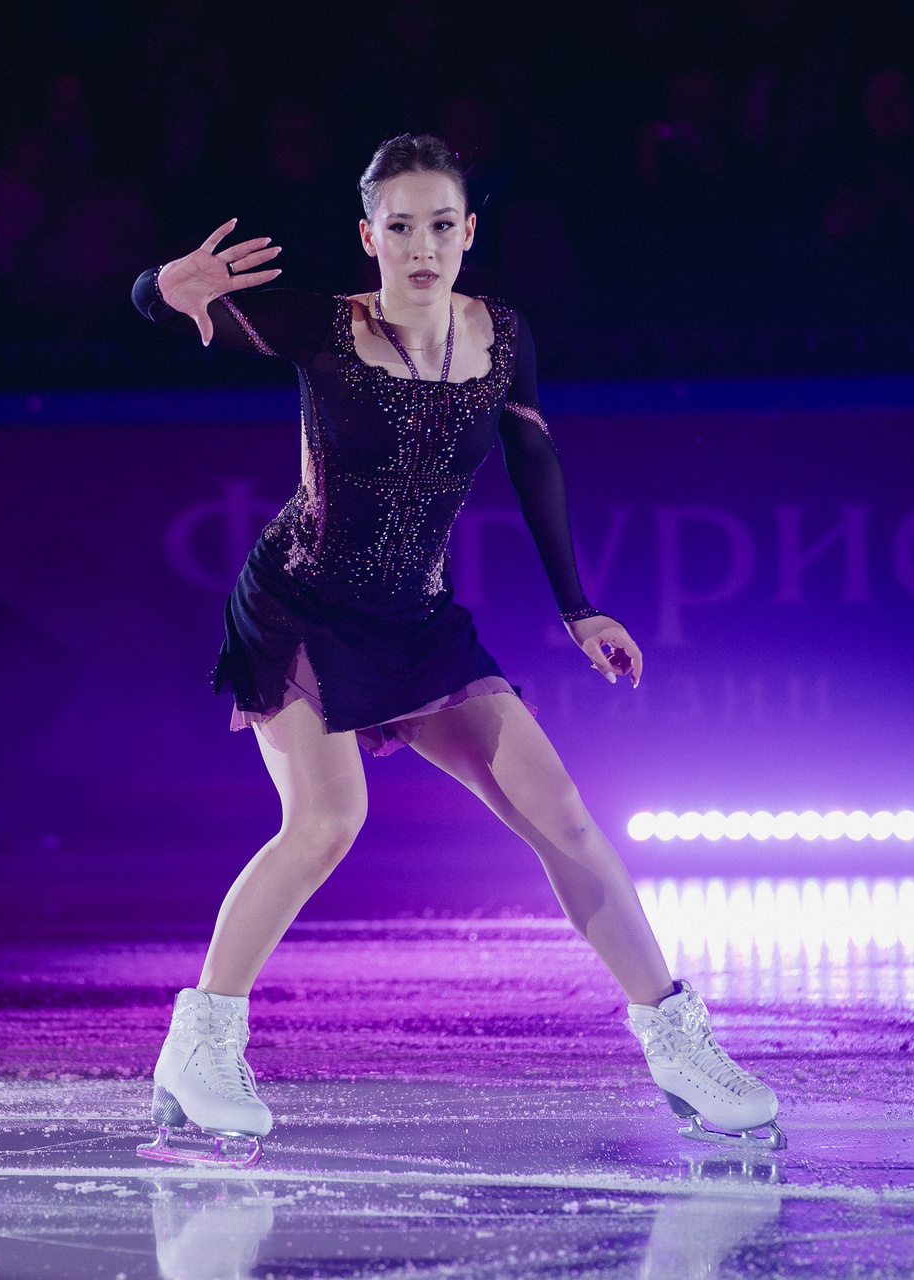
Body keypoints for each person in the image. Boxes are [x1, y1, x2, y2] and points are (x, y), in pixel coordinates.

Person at [130, 134, 782, 1166]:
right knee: (327, 821)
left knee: (562, 814)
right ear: (369, 237)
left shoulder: (502, 335)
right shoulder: (327, 326)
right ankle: (200, 1044)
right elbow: (159, 307)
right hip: (300, 606)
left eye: (441, 225)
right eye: (400, 227)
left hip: (417, 620)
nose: (422, 247)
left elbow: (533, 458)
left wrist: (579, 609)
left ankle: (679, 1044)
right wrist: (160, 287)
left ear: (470, 231)